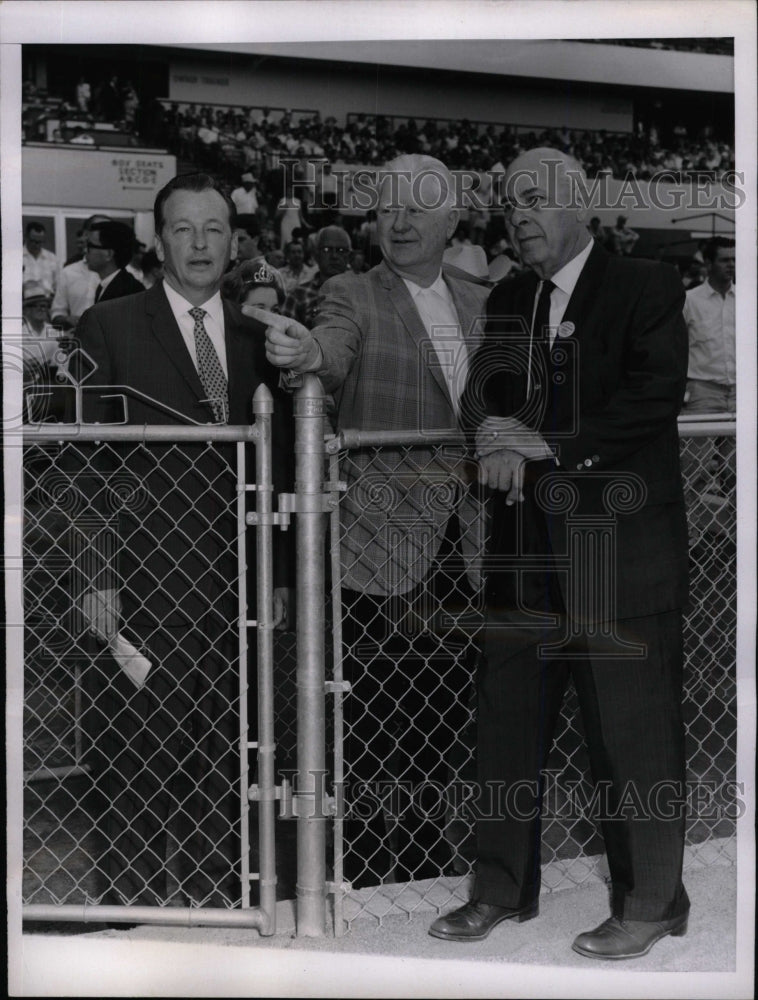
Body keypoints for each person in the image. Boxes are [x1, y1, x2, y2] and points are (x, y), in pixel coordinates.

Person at [430, 148, 690, 960]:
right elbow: (482, 394)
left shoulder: (644, 284)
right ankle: (501, 889)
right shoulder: (511, 296)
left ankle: (651, 901)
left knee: (631, 732)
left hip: (617, 547)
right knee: (508, 726)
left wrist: (546, 443)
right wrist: (492, 434)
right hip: (524, 551)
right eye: (511, 203)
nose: (520, 214)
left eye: (536, 198)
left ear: (580, 203)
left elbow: (652, 394)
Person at [258, 154, 488, 887]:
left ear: (453, 221)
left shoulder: (487, 301)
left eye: (418, 207)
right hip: (376, 550)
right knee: (364, 729)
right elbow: (330, 347)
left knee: (441, 726)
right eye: (387, 206)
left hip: (467, 550)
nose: (398, 220)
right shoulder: (351, 291)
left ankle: (421, 876)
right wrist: (306, 354)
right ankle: (357, 882)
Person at [73, 172, 291, 908]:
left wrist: (281, 573)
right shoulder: (110, 325)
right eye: (184, 229)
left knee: (224, 765)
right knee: (134, 768)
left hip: (239, 591)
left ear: (234, 240)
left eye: (215, 229)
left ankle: (215, 913)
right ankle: (129, 931)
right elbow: (83, 464)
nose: (200, 244)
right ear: (158, 238)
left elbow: (280, 462)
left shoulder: (259, 336)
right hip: (143, 590)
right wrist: (98, 575)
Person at [682, 237, 735, 414]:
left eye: (734, 259)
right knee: (698, 442)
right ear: (708, 263)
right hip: (702, 391)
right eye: (725, 260)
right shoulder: (689, 300)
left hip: (742, 393)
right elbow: (675, 347)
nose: (732, 265)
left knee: (740, 443)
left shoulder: (749, 298)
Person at [282, 225, 351, 328]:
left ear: (348, 257)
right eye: (327, 250)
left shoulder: (360, 294)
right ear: (316, 255)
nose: (334, 256)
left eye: (341, 250)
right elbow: (285, 337)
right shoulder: (298, 295)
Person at [51, 215, 110, 330]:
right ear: (86, 235)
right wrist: (67, 319)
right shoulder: (68, 272)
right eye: (99, 229)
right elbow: (57, 313)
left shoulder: (124, 275)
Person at [84, 221, 145, 303]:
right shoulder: (106, 285)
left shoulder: (129, 293)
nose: (85, 251)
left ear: (108, 254)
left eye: (89, 246)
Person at [23, 222, 60, 297]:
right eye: (33, 241)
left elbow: (59, 286)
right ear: (25, 237)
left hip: (47, 304)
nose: (36, 245)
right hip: (24, 304)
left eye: (40, 242)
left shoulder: (52, 258)